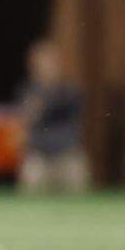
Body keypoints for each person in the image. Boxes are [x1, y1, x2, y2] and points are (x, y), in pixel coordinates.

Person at [17, 40, 89, 192]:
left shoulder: (69, 89)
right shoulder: (28, 91)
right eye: (41, 61)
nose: (46, 65)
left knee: (78, 190)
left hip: (66, 154)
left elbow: (68, 103)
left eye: (50, 60)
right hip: (39, 156)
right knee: (31, 184)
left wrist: (47, 91)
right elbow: (26, 118)